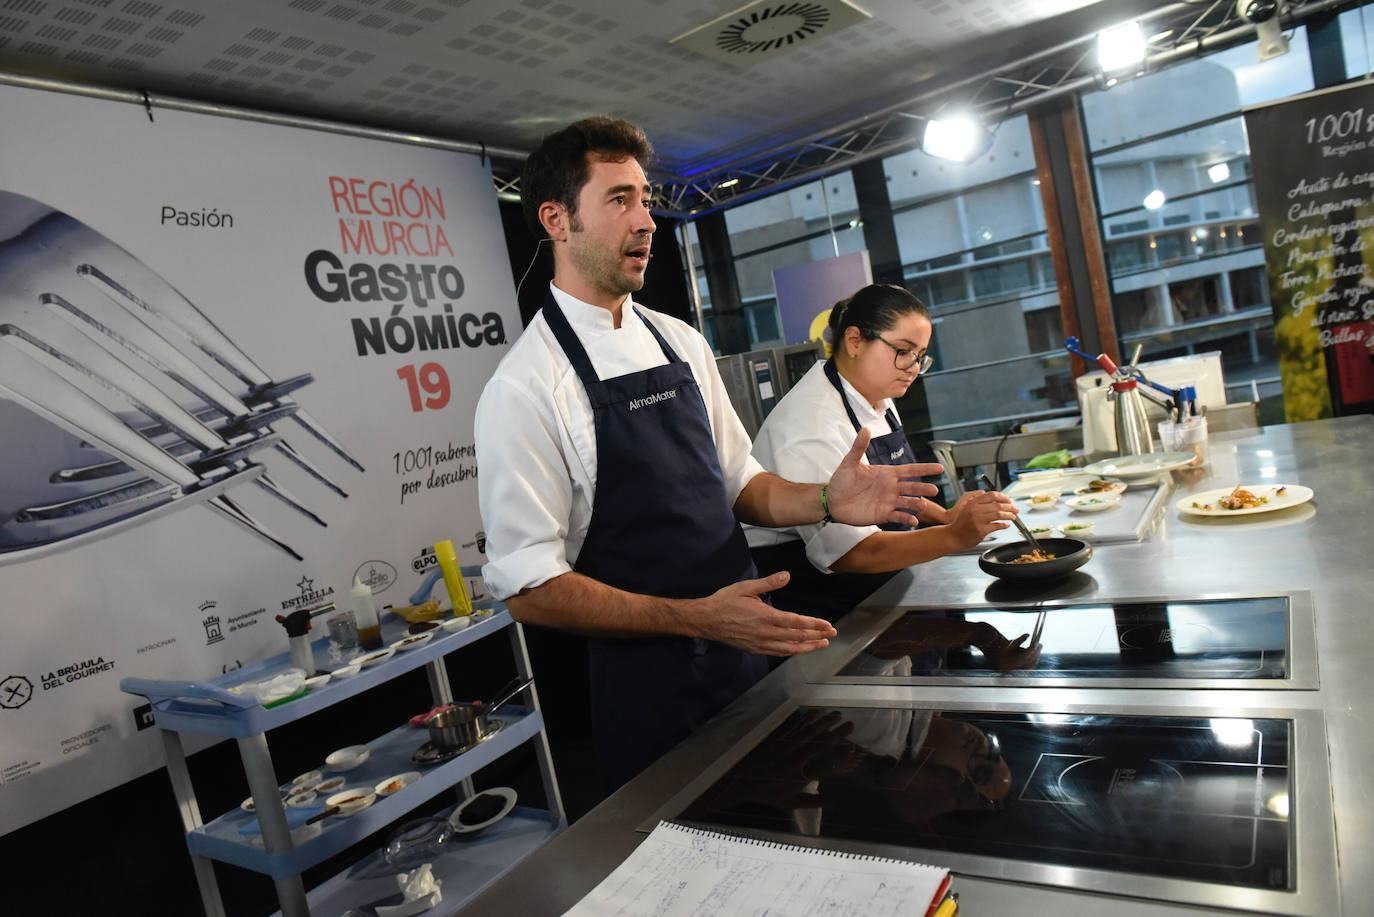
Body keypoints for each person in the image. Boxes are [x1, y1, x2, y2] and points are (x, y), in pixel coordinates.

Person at [473, 118, 944, 792]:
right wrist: (696, 616)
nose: (647, 221)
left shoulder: (679, 342)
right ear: (556, 220)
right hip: (650, 698)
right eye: (618, 201)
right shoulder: (524, 389)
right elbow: (531, 589)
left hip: (750, 657)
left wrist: (822, 500)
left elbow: (743, 482)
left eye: (644, 198)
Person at [747, 283, 1018, 620]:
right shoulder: (811, 425)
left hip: (884, 589)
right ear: (855, 340)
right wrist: (952, 535)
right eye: (903, 351)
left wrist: (945, 517)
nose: (913, 367)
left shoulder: (876, 395)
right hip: (827, 611)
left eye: (920, 356)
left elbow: (891, 494)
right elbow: (851, 554)